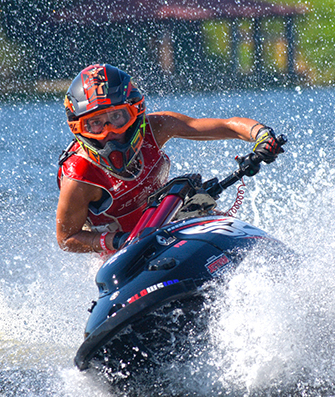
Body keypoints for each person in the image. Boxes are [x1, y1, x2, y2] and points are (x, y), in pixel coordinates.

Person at [56, 64, 284, 254]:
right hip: (125, 256)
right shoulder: (79, 176)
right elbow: (66, 239)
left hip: (170, 224)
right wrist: (119, 241)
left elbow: (228, 126)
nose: (110, 132)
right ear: (79, 128)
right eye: (96, 123)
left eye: (117, 117)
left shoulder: (156, 128)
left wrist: (261, 135)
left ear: (135, 111)